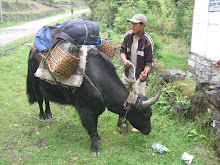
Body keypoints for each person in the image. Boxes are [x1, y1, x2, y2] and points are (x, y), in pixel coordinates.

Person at [119, 13, 154, 96]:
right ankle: (126, 108)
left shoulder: (147, 41)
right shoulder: (128, 36)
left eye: (135, 24)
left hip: (139, 77)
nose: (132, 26)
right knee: (121, 96)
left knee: (139, 102)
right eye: (132, 23)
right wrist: (125, 60)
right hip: (127, 74)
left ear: (143, 25)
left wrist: (145, 73)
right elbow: (122, 50)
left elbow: (149, 62)